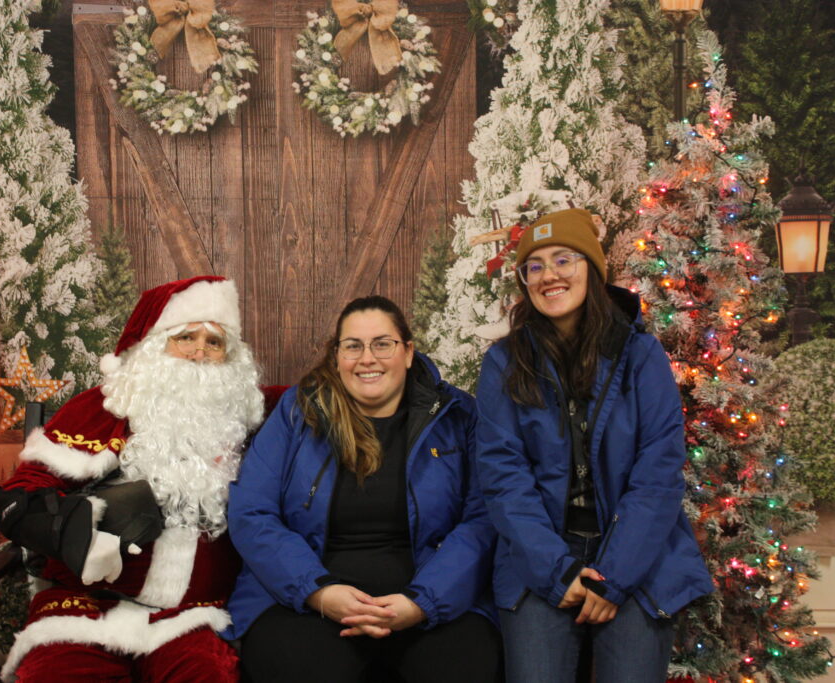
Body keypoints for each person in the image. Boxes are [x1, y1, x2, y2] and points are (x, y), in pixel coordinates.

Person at [0, 276, 283, 683]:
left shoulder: (254, 416)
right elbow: (23, 495)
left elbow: (335, 394)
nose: (200, 353)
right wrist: (80, 529)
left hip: (192, 617)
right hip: (82, 611)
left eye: (214, 343)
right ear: (153, 348)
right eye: (185, 338)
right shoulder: (99, 410)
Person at [475, 208, 714, 681]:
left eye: (564, 259)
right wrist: (555, 571)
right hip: (540, 556)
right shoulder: (503, 363)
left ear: (592, 268)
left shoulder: (640, 355)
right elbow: (504, 479)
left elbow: (658, 473)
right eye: (535, 266)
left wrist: (616, 576)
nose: (550, 276)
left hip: (634, 553)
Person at [225, 295, 501, 683]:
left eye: (382, 344)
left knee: (462, 666)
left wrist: (421, 602)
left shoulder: (458, 415)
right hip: (304, 601)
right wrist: (318, 591)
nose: (367, 358)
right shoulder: (297, 411)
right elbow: (251, 512)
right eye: (353, 346)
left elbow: (482, 520)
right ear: (337, 356)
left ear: (407, 352)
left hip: (430, 602)